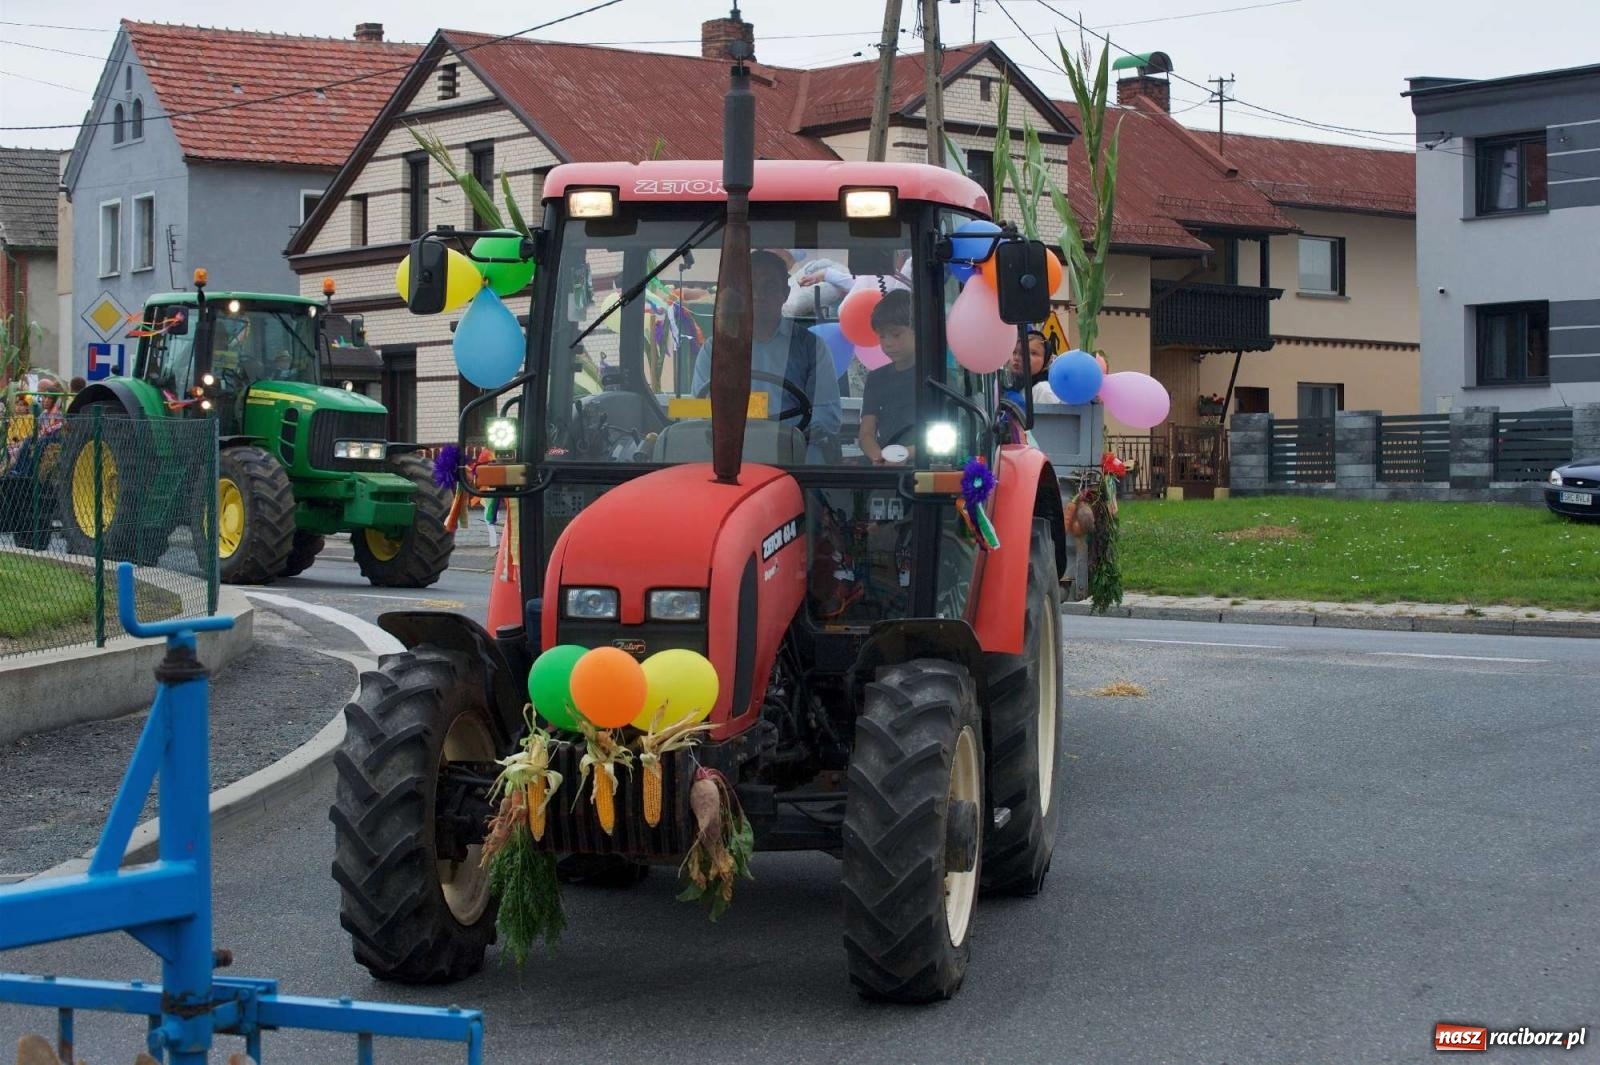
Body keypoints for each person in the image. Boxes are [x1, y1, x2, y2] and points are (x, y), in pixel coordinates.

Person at [689, 250, 843, 458]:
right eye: (751, 287)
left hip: (795, 454)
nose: (758, 295)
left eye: (768, 287)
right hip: (733, 454)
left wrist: (783, 435)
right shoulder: (715, 349)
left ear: (785, 294)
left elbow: (829, 415)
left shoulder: (811, 348)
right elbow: (697, 411)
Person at [858, 290, 918, 465]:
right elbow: (866, 433)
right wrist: (878, 457)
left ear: (917, 330)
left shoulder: (936, 377)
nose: (888, 343)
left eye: (896, 334)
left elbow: (945, 438)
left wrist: (905, 454)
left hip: (926, 465)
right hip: (886, 466)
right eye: (882, 336)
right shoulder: (876, 379)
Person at [1003, 328, 1055, 408]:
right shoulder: (1016, 388)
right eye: (1014, 352)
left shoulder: (1043, 390)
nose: (1017, 358)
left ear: (1046, 361)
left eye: (1034, 353)